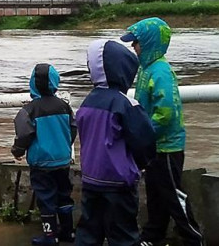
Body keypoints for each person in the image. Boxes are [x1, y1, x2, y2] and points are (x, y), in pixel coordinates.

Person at [121, 18, 204, 246]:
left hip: (167, 147)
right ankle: (153, 234)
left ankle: (192, 237)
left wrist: (143, 133)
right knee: (156, 193)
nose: (133, 47)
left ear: (148, 43)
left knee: (172, 195)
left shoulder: (161, 72)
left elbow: (165, 113)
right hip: (154, 146)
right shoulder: (148, 69)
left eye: (136, 42)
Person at [75, 40, 156, 246]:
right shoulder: (125, 103)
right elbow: (144, 141)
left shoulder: (87, 101)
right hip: (118, 182)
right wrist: (140, 165)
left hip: (91, 179)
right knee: (123, 235)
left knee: (88, 232)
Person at [11, 63, 76, 245]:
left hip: (41, 164)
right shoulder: (65, 106)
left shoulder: (29, 110)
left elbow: (24, 134)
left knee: (46, 198)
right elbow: (73, 129)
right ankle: (68, 232)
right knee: (64, 195)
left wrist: (17, 151)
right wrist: (63, 146)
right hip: (62, 161)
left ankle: (50, 236)